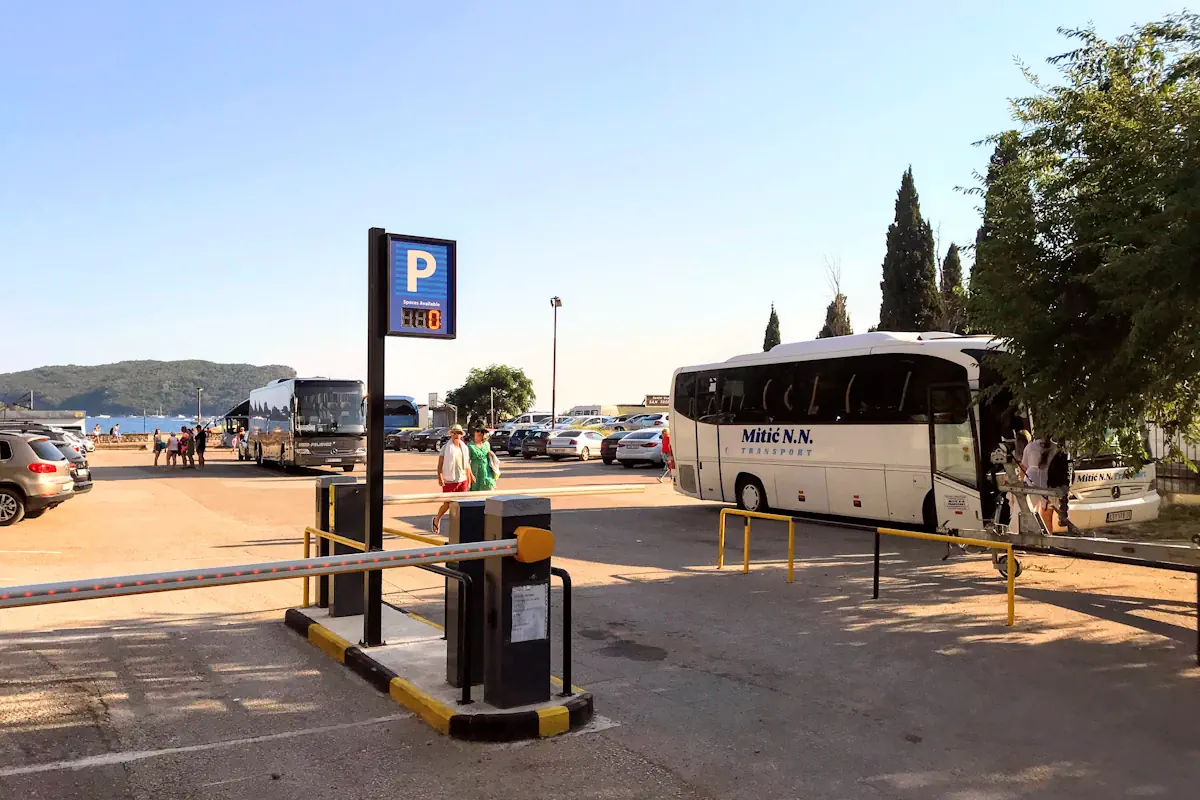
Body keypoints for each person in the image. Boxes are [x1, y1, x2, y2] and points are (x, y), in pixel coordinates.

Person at [432, 425, 472, 535]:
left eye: (458, 433)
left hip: (462, 479)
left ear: (461, 435)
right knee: (447, 503)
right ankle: (437, 519)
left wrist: (468, 479)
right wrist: (440, 477)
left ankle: (460, 525)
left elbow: (467, 465)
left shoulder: (464, 447)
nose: (455, 435)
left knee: (462, 503)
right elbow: (440, 464)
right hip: (449, 480)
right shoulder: (446, 447)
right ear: (451, 434)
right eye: (453, 433)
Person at [1019, 433, 1055, 531]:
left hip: (1031, 482)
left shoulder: (1030, 447)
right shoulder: (1055, 447)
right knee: (1047, 519)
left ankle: (1033, 541)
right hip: (1049, 483)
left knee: (1031, 514)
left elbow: (1023, 468)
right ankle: (1047, 543)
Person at [467, 427, 497, 493]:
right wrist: (470, 475)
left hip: (487, 471)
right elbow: (467, 462)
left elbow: (490, 458)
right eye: (477, 431)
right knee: (476, 492)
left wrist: (493, 455)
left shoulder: (486, 444)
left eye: (481, 432)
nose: (479, 433)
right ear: (474, 433)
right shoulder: (470, 446)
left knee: (490, 487)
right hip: (476, 471)